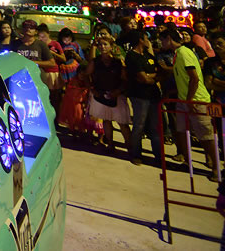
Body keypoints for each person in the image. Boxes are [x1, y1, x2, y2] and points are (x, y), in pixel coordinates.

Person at [161, 27, 220, 179]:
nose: (161, 43)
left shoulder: (184, 53)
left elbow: (194, 78)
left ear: (169, 38)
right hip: (183, 99)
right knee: (181, 131)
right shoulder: (178, 54)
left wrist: (189, 99)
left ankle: (216, 167)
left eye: (162, 40)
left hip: (196, 100)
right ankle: (187, 162)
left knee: (205, 135)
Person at [84, 34, 131, 152]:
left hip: (117, 95)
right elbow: (86, 75)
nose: (102, 47)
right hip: (101, 94)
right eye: (100, 45)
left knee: (122, 123)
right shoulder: (95, 62)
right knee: (106, 120)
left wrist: (118, 91)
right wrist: (92, 89)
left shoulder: (118, 62)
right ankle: (110, 144)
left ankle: (130, 147)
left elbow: (125, 80)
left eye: (105, 44)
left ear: (111, 46)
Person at [123, 29, 163, 165]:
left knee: (155, 127)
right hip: (139, 96)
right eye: (146, 38)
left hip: (154, 96)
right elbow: (143, 78)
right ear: (140, 40)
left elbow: (159, 74)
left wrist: (149, 76)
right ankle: (136, 154)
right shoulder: (132, 56)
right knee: (139, 126)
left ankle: (159, 157)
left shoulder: (149, 56)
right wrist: (149, 77)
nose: (148, 41)